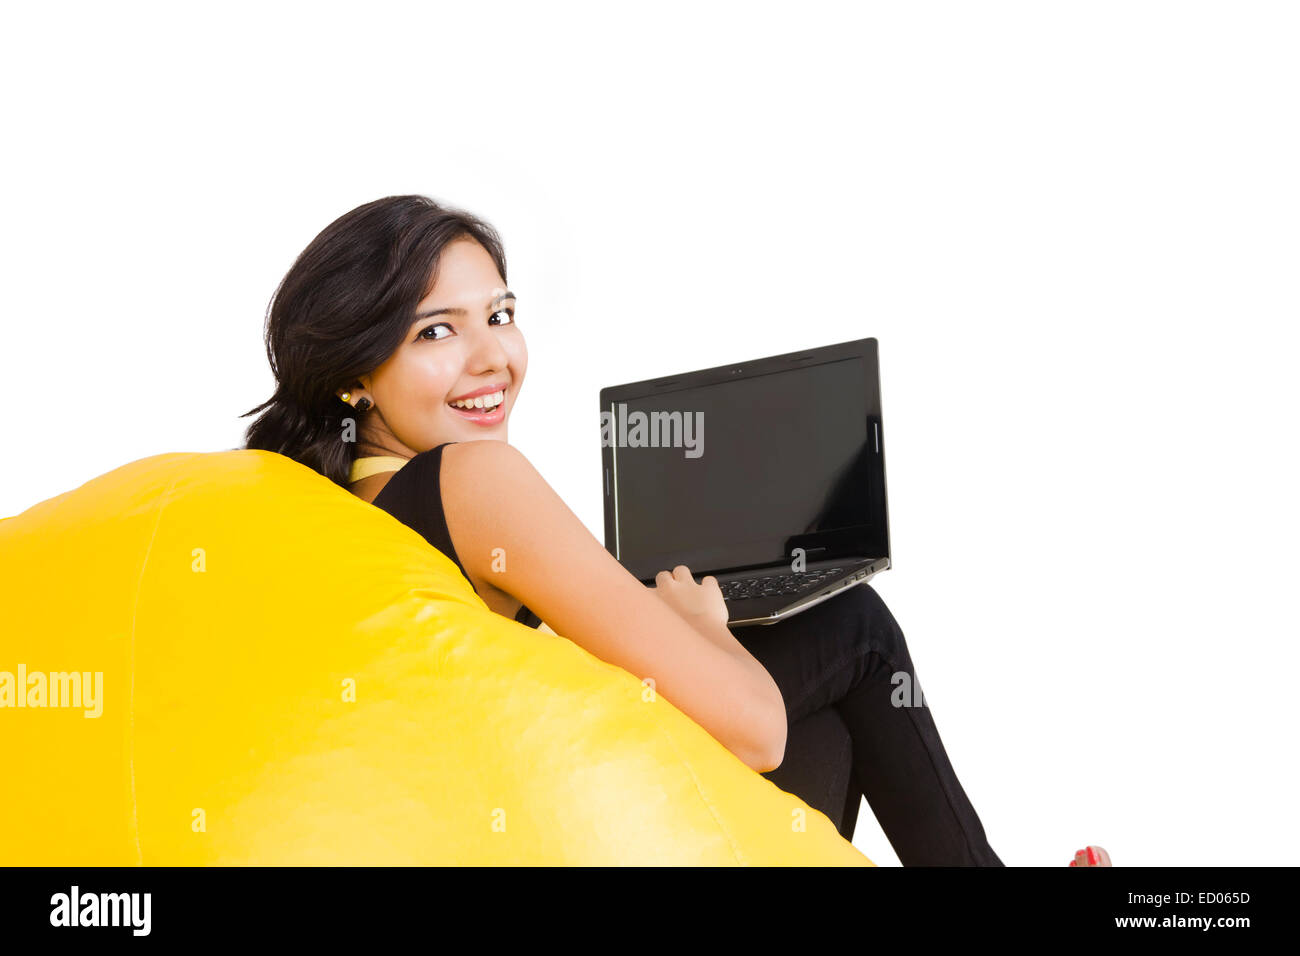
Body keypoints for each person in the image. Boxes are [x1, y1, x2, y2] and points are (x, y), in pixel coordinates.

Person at [242, 194, 1110, 867]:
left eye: (501, 315)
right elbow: (754, 731)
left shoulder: (332, 511)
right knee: (854, 631)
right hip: (582, 835)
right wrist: (701, 633)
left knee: (834, 722)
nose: (492, 359)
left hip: (515, 825)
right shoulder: (473, 478)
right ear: (356, 373)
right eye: (437, 331)